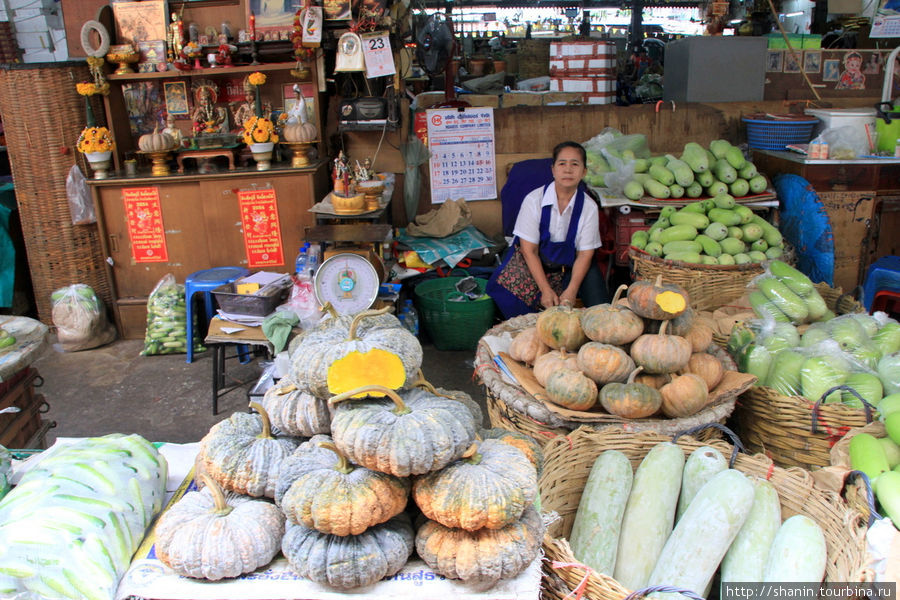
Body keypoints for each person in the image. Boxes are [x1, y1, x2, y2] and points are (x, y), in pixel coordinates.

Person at [487, 141, 609, 319]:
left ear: (584, 172)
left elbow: (585, 254)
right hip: (534, 262)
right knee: (516, 310)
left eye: (574, 164)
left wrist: (571, 291)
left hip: (568, 267)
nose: (568, 170)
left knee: (601, 311)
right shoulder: (534, 200)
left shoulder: (588, 207)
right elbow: (529, 250)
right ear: (553, 170)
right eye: (562, 164)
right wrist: (545, 289)